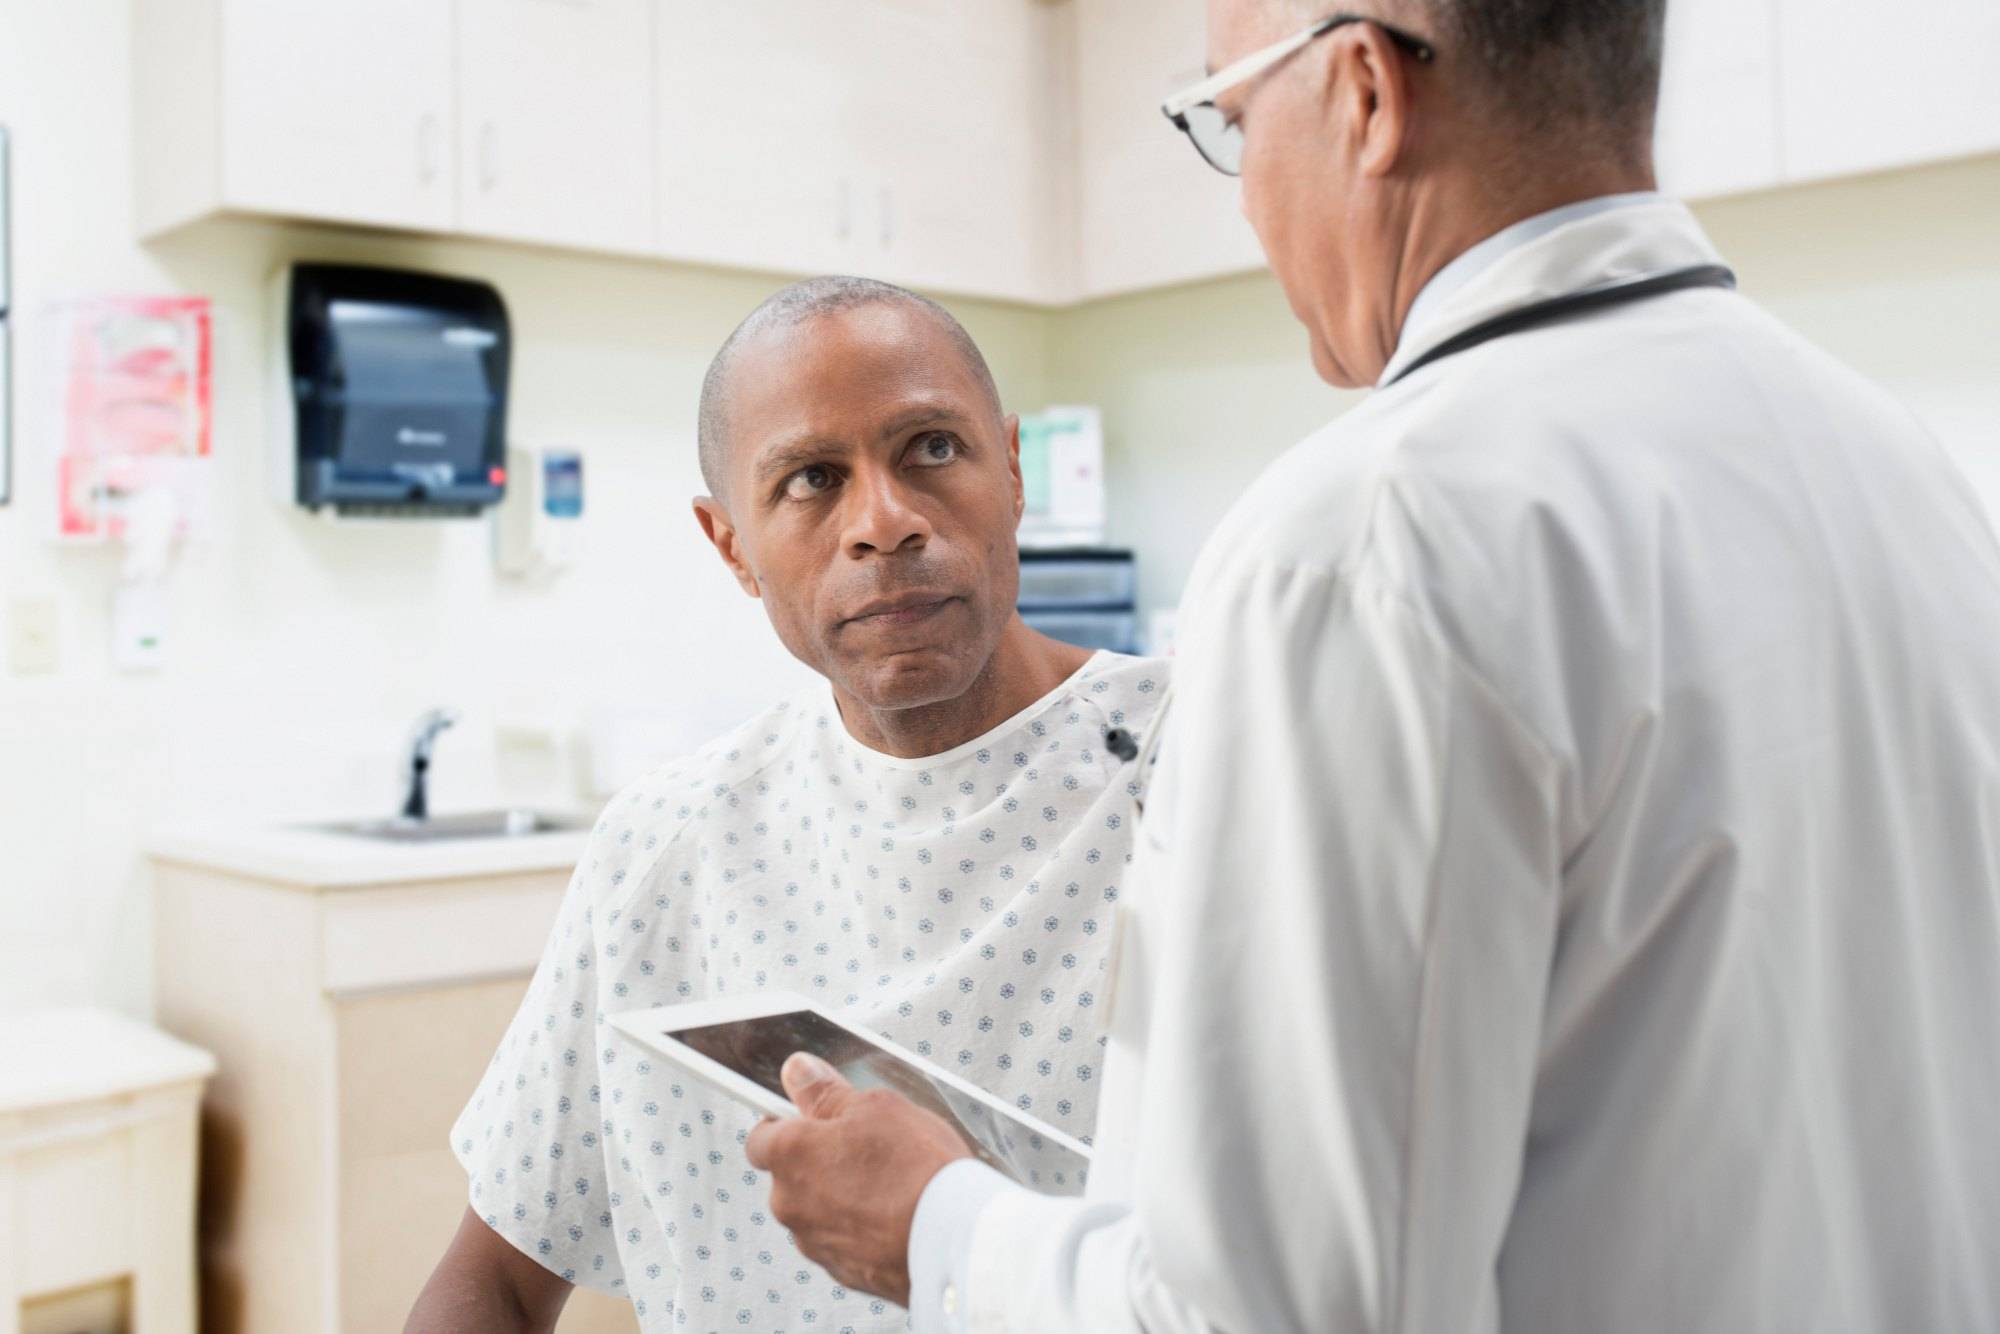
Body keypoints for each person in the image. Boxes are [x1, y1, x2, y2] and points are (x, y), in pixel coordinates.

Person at [744, 2, 2000, 1330]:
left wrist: (940, 1222)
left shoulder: (1361, 545)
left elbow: (1296, 1309)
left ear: (1363, 95)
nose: (1244, 206)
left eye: (1233, 121)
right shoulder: (1898, 466)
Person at [404, 277, 1169, 1332]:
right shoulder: (664, 848)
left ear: (1013, 471)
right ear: (731, 548)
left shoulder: (1198, 768)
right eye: (812, 478)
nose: (884, 521)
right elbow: (490, 1276)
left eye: (932, 450)